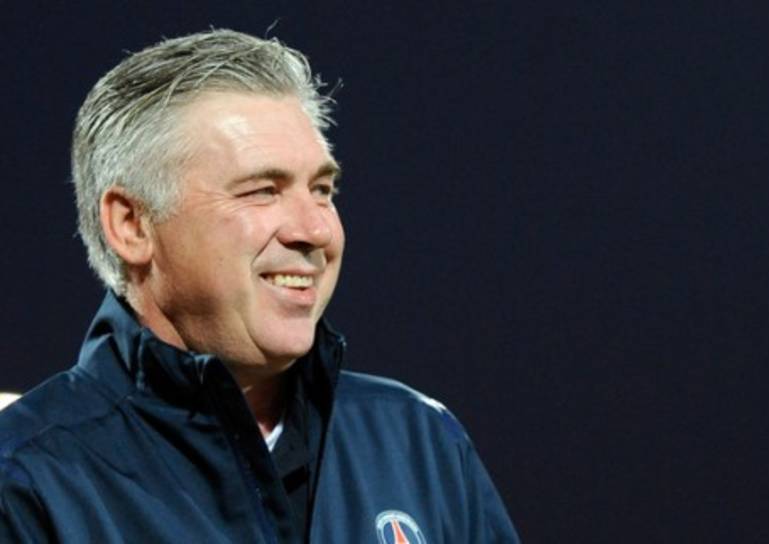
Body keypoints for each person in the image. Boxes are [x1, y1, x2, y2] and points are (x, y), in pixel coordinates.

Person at [0, 29, 518, 543]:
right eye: (263, 190)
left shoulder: (419, 444)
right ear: (132, 225)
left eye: (322, 189)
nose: (315, 230)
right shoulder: (25, 483)